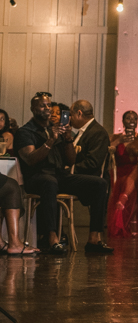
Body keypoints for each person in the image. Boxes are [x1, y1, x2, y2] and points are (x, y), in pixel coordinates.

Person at [17, 93, 113, 254]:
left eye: (48, 105)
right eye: (42, 105)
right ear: (33, 109)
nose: (47, 109)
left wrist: (67, 138)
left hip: (59, 175)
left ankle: (94, 239)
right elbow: (31, 159)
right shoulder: (25, 131)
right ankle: (52, 238)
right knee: (49, 182)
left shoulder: (56, 128)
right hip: (37, 177)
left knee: (100, 183)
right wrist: (51, 140)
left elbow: (70, 161)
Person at [107, 111, 138, 238]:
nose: (131, 120)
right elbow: (106, 149)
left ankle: (123, 198)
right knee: (127, 183)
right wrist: (119, 141)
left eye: (135, 118)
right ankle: (124, 198)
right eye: (128, 118)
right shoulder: (114, 137)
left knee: (136, 168)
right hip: (119, 173)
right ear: (123, 121)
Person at [69, 100, 110, 178]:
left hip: (88, 179)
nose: (70, 118)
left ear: (79, 113)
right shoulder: (85, 130)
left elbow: (93, 163)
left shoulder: (98, 132)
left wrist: (70, 169)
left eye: (71, 115)